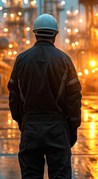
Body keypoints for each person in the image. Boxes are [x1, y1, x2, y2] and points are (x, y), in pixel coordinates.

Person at [8, 14, 82, 179]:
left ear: (35, 33)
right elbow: (74, 97)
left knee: (31, 175)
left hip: (30, 126)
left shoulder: (21, 60)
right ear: (55, 35)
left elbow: (13, 94)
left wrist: (21, 120)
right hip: (57, 127)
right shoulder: (64, 60)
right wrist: (73, 126)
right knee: (60, 175)